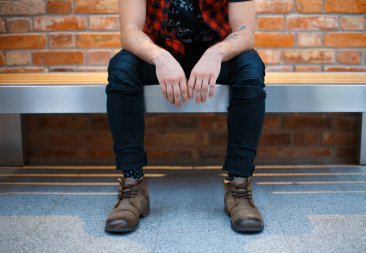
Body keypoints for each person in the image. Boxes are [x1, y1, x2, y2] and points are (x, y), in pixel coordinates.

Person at [104, 0, 267, 233]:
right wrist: (159, 57)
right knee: (121, 67)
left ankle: (238, 185)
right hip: (161, 53)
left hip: (216, 55)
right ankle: (133, 185)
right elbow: (130, 31)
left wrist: (217, 52)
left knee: (250, 66)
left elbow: (246, 32)